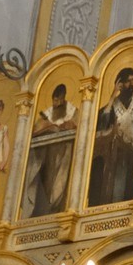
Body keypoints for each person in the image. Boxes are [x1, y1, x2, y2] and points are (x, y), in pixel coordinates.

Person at [89, 67, 133, 205]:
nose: (131, 85)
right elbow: (102, 124)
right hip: (114, 153)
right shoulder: (114, 104)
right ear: (120, 84)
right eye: (127, 81)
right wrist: (112, 96)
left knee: (125, 186)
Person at [23, 85, 78, 217]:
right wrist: (47, 127)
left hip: (64, 153)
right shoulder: (46, 114)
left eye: (59, 100)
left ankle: (56, 211)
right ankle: (42, 212)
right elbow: (34, 132)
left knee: (59, 186)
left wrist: (68, 125)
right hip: (46, 156)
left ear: (64, 99)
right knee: (45, 185)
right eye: (54, 100)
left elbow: (80, 125)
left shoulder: (73, 111)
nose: (56, 104)